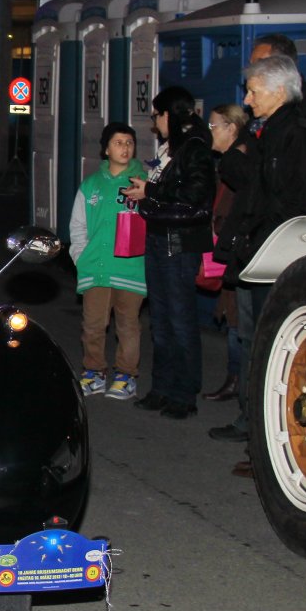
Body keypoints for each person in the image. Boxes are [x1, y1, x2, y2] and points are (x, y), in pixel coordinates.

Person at [210, 54, 306, 451]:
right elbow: (252, 183)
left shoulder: (297, 134)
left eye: (253, 91)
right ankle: (251, 421)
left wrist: (264, 237)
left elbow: (286, 199)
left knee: (271, 343)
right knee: (254, 340)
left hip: (274, 254)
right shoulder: (268, 131)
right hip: (257, 251)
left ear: (279, 91)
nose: (247, 100)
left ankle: (268, 435)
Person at [123, 92, 216, 420]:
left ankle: (184, 393)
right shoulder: (171, 147)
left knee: (179, 318)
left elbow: (196, 193)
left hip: (178, 240)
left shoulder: (195, 147)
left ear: (169, 115)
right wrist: (146, 190)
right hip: (158, 235)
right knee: (160, 319)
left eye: (156, 116)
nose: (154, 123)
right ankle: (162, 387)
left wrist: (151, 190)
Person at [68, 122, 148, 401]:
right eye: (118, 143)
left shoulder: (144, 183)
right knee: (93, 325)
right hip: (96, 268)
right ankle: (94, 372)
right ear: (106, 149)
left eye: (129, 143)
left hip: (131, 268)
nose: (125, 148)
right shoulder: (91, 185)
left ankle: (126, 375)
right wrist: (80, 257)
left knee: (128, 325)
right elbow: (78, 225)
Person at [202, 103, 250, 403]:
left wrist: (218, 227)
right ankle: (235, 379)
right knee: (233, 316)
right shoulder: (226, 163)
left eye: (213, 126)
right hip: (230, 250)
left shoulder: (238, 163)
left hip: (239, 252)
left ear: (231, 128)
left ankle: (238, 380)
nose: (210, 132)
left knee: (237, 320)